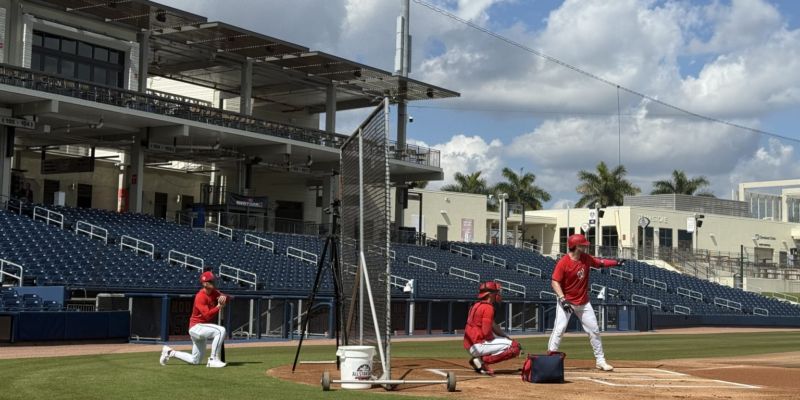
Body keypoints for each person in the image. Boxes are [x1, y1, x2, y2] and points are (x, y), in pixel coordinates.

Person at [548, 234, 624, 371]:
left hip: (583, 302)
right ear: (575, 246)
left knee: (594, 330)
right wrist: (562, 299)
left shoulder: (586, 258)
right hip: (567, 301)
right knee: (559, 329)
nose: (585, 246)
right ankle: (550, 359)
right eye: (582, 245)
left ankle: (600, 361)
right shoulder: (564, 262)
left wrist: (615, 262)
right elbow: (555, 282)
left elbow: (600, 263)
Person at [160, 271, 228, 368]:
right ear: (204, 284)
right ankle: (213, 359)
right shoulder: (200, 296)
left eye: (213, 281)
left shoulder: (214, 292)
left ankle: (169, 352)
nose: (213, 282)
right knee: (221, 331)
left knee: (195, 360)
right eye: (211, 281)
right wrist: (219, 306)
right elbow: (207, 316)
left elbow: (225, 297)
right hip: (196, 327)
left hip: (201, 328)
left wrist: (224, 298)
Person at [463, 281, 521, 376]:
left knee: (505, 342)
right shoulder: (488, 308)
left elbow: (493, 325)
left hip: (470, 344)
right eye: (496, 292)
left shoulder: (476, 305)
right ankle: (482, 361)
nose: (498, 294)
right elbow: (486, 332)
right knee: (515, 347)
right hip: (478, 344)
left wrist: (504, 336)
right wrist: (498, 341)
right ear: (490, 294)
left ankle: (478, 359)